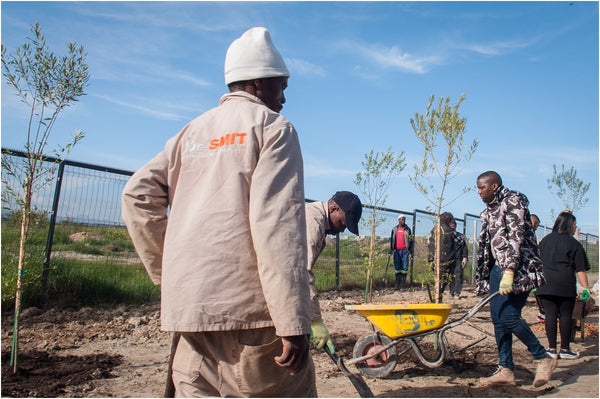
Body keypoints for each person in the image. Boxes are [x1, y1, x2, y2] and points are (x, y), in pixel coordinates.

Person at [122, 27, 316, 397]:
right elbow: (277, 227)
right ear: (259, 83)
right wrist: (292, 321)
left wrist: (172, 275)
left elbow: (137, 194)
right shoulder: (273, 129)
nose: (285, 97)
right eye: (282, 86)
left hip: (192, 316)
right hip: (252, 320)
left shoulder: (189, 132)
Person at [475, 171, 557, 388]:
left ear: (494, 186)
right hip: (496, 269)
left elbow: (516, 235)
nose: (478, 191)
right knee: (497, 319)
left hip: (518, 269)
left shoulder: (513, 200)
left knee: (508, 316)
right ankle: (506, 369)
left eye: (481, 187)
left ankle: (542, 357)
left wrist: (510, 271)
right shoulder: (489, 209)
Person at [305, 191, 363, 353]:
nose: (343, 229)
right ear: (333, 209)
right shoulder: (313, 222)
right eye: (343, 223)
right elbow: (302, 273)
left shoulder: (320, 224)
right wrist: (315, 319)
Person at [536, 211, 591, 360]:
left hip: (545, 284)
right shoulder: (574, 244)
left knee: (550, 315)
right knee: (566, 315)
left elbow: (536, 262)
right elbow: (580, 269)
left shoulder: (545, 241)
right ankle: (565, 349)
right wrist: (586, 287)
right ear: (569, 225)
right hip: (565, 285)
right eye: (574, 225)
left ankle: (551, 349)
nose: (575, 228)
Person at [428, 211, 456, 301]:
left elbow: (429, 242)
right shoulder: (450, 231)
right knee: (444, 280)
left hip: (433, 258)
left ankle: (436, 296)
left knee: (437, 278)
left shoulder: (434, 229)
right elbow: (458, 241)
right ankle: (438, 297)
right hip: (445, 259)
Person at [389, 215, 414, 290]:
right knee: (397, 268)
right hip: (397, 251)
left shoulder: (407, 230)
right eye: (401, 219)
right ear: (398, 220)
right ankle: (397, 284)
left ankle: (403, 285)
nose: (403, 220)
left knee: (404, 267)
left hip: (405, 251)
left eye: (404, 219)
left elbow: (411, 241)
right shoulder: (394, 229)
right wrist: (391, 249)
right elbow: (392, 240)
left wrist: (410, 252)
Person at [530, 213, 546, 322]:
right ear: (534, 223)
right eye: (537, 225)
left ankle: (542, 312)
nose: (536, 228)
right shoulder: (529, 233)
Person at [449, 219, 468, 298]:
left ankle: (457, 292)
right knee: (450, 276)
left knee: (458, 275)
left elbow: (464, 248)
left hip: (458, 259)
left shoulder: (460, 237)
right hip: (449, 259)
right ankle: (451, 291)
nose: (452, 229)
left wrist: (465, 258)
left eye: (454, 227)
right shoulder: (446, 237)